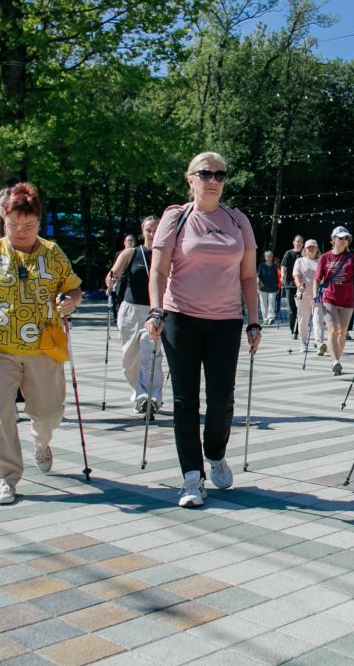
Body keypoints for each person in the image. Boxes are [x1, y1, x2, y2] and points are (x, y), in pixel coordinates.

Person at [145, 152, 261, 509]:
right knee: (185, 401)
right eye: (205, 173)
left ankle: (215, 453)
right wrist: (155, 310)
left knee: (222, 399)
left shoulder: (237, 220)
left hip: (226, 320)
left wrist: (253, 320)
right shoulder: (175, 218)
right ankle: (191, 477)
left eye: (220, 175)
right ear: (190, 179)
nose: (213, 180)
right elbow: (159, 270)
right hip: (181, 317)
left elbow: (248, 276)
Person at [0, 183, 83, 506]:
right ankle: (6, 477)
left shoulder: (53, 254)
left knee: (49, 412)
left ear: (39, 221)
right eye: (13, 225)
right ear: (3, 218)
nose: (20, 231)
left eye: (28, 226)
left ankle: (41, 441)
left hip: (42, 347)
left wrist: (69, 302)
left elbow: (73, 289)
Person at [104, 215, 164, 415]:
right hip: (130, 311)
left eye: (156, 229)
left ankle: (151, 398)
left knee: (152, 355)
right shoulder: (131, 253)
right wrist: (111, 280)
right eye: (148, 230)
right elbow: (113, 274)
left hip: (154, 310)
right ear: (142, 232)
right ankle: (139, 393)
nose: (152, 233)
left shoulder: (166, 254)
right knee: (130, 359)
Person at [317, 227, 354, 375]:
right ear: (333, 239)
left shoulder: (352, 258)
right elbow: (317, 279)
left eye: (346, 238)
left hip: (347, 299)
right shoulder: (325, 258)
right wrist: (314, 297)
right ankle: (335, 361)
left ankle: (337, 358)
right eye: (340, 238)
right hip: (329, 298)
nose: (344, 240)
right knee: (333, 330)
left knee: (342, 332)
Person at [294, 239, 322, 353]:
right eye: (309, 247)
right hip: (303, 294)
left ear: (317, 249)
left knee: (318, 319)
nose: (311, 249)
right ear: (305, 249)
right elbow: (296, 275)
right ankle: (303, 342)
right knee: (303, 320)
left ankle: (319, 343)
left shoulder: (321, 261)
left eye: (313, 247)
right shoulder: (300, 261)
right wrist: (299, 285)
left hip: (317, 295)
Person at [281, 235, 304, 336]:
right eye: (297, 241)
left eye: (301, 242)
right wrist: (282, 275)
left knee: (301, 308)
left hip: (302, 285)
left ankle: (299, 328)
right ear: (293, 242)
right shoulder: (288, 253)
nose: (299, 243)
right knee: (292, 308)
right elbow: (283, 266)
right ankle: (293, 330)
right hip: (290, 284)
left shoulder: (305, 254)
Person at [256, 249, 281, 327]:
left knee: (271, 302)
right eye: (267, 256)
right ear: (265, 257)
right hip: (262, 288)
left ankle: (271, 318)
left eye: (270, 256)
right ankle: (265, 319)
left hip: (273, 287)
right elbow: (258, 276)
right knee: (263, 304)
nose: (269, 258)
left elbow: (278, 277)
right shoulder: (261, 265)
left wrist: (278, 286)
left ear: (272, 257)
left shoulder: (274, 266)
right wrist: (257, 283)